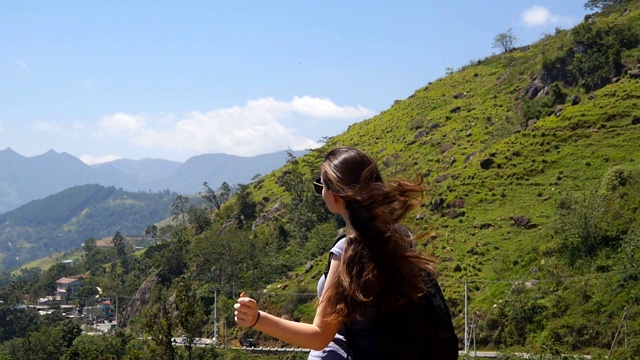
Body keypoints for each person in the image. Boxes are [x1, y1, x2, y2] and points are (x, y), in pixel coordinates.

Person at [235, 146, 444, 358]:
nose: (321, 192)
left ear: (336, 196)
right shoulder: (400, 236)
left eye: (321, 186)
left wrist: (257, 319)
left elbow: (318, 337)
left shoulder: (348, 251)